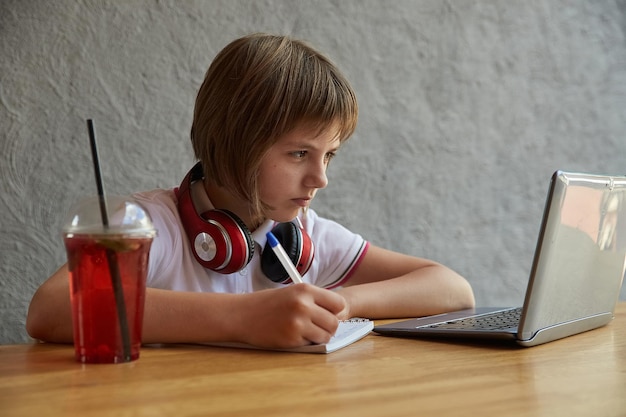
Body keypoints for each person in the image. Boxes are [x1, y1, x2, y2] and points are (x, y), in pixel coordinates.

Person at [26, 33, 474, 349]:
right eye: (299, 153)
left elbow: (452, 290)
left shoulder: (303, 235)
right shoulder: (147, 224)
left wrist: (340, 304)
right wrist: (245, 318)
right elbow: (49, 311)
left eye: (329, 155)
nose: (320, 178)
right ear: (235, 141)